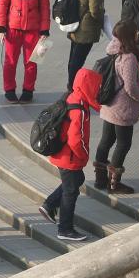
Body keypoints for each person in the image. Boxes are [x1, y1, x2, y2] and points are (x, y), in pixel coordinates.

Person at [39, 68, 102, 241]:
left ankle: (50, 204)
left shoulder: (70, 97)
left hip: (61, 153)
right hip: (70, 156)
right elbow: (76, 139)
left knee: (76, 181)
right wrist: (84, 155)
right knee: (70, 191)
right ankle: (65, 229)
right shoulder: (80, 109)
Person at [93, 21, 139, 194]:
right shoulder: (128, 57)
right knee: (123, 143)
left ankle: (100, 179)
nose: (138, 34)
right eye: (135, 32)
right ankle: (114, 184)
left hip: (109, 104)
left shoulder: (112, 50)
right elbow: (130, 86)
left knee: (106, 140)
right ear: (130, 36)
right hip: (122, 108)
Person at [0, 0, 49, 104]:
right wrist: (1, 27)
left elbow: (45, 8)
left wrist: (44, 29)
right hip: (13, 29)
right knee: (10, 61)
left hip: (33, 30)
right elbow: (2, 5)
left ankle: (28, 90)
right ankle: (9, 89)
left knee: (32, 62)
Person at [65, 0, 106, 90]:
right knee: (78, 59)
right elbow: (95, 10)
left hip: (74, 20)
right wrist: (102, 19)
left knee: (73, 57)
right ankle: (73, 87)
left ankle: (71, 85)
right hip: (86, 26)